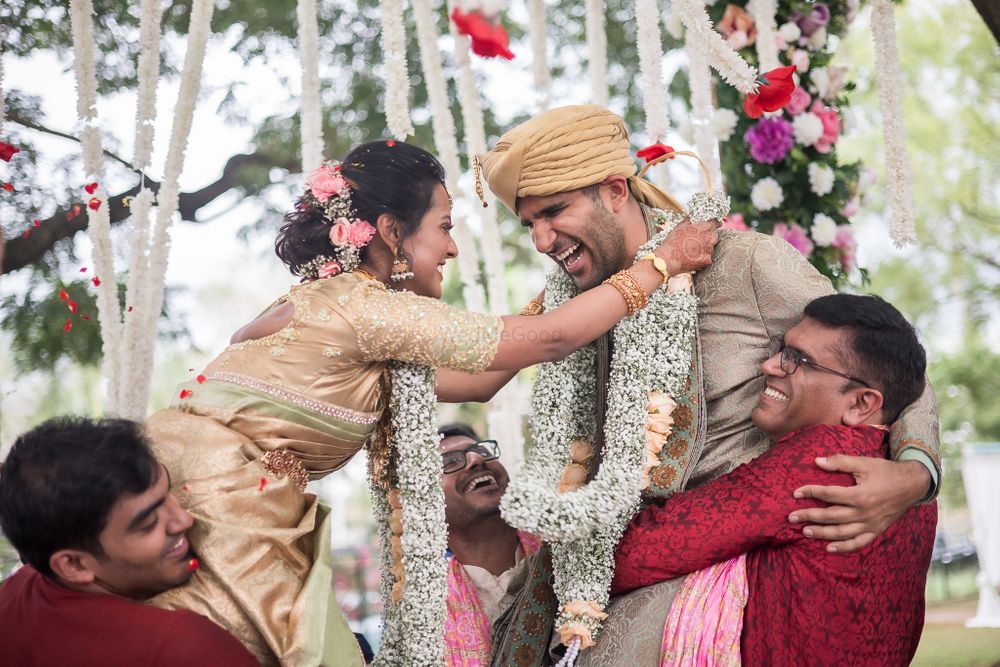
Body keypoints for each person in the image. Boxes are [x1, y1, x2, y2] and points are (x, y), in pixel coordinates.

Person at [143, 140, 717, 665]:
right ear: (393, 232)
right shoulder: (368, 309)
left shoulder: (341, 305)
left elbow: (481, 381)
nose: (451, 246)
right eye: (443, 227)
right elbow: (555, 339)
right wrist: (660, 264)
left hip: (218, 487)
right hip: (220, 497)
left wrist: (568, 288)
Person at [475, 104, 941, 663]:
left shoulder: (743, 263)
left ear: (616, 190)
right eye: (529, 224)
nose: (542, 241)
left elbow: (890, 361)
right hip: (600, 558)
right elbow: (490, 371)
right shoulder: (576, 307)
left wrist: (917, 474)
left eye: (554, 212)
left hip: (718, 586)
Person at [611, 294, 937, 665]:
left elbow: (634, 555)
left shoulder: (826, 458)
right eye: (783, 349)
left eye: (799, 360)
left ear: (861, 403)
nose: (770, 365)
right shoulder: (915, 494)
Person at [0, 417, 258, 666]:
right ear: (74, 565)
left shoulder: (14, 591)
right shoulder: (180, 647)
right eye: (147, 524)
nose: (184, 520)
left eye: (168, 491)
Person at [439, 423, 540, 666]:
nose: (476, 459)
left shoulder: (561, 547)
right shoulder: (429, 610)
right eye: (449, 462)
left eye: (482, 451)